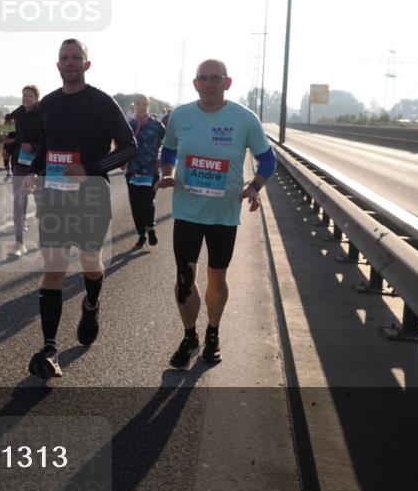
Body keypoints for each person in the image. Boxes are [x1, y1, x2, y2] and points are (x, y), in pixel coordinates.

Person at [24, 40, 137, 379]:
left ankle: (91, 304)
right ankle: (50, 348)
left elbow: (129, 148)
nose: (70, 62)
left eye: (76, 58)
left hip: (92, 195)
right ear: (58, 65)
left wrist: (90, 168)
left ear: (86, 65)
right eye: (64, 58)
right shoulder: (48, 104)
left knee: (90, 261)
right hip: (55, 196)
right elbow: (47, 144)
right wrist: (34, 171)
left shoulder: (101, 102)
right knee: (54, 268)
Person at [157, 59, 276, 366]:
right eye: (203, 78)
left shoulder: (244, 119)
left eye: (215, 78)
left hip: (224, 214)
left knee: (217, 277)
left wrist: (255, 187)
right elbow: (168, 149)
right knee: (185, 278)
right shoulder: (181, 116)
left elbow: (267, 159)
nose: (209, 84)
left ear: (227, 82)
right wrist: (167, 172)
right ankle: (189, 337)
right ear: (195, 83)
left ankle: (213, 332)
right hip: (187, 211)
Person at [125, 95, 166, 250]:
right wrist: (121, 161)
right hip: (133, 172)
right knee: (136, 206)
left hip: (150, 171)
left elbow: (170, 143)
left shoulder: (157, 126)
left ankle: (150, 227)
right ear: (134, 105)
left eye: (144, 104)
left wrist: (162, 158)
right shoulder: (129, 125)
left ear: (148, 105)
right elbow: (122, 144)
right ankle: (142, 235)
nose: (141, 106)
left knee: (147, 203)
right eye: (138, 104)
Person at [8, 85, 42, 257]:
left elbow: (48, 137)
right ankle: (19, 243)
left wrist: (34, 146)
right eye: (24, 95)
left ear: (36, 98)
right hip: (21, 162)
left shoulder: (43, 114)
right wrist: (7, 149)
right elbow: (10, 135)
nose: (26, 98)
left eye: (30, 96)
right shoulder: (16, 114)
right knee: (19, 202)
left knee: (42, 202)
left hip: (40, 162)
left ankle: (44, 236)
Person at [0, 112, 17, 181]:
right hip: (7, 145)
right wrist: (6, 141)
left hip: (15, 144)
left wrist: (11, 140)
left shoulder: (16, 126)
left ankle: (14, 174)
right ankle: (8, 171)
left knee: (14, 160)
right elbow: (5, 138)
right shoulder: (5, 127)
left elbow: (18, 138)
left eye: (10, 119)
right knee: (5, 155)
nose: (9, 121)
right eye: (7, 120)